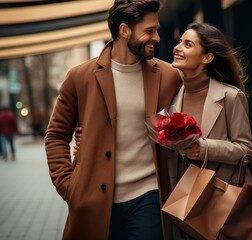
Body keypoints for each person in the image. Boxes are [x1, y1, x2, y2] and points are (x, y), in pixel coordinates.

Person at [74, 22, 252, 239]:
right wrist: (91, 136)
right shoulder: (170, 95)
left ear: (206, 58)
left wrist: (205, 148)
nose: (177, 47)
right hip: (180, 205)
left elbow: (246, 150)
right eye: (180, 42)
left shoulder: (230, 97)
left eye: (187, 44)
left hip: (221, 203)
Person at [44, 0, 182, 239]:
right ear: (124, 30)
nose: (157, 37)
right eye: (149, 30)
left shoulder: (169, 76)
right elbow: (56, 135)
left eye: (157, 29)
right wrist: (68, 186)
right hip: (93, 200)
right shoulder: (80, 77)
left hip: (148, 195)